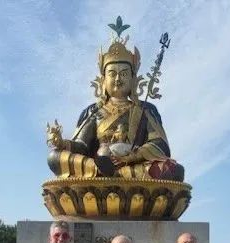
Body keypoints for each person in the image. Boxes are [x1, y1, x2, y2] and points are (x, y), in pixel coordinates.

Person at [45, 22, 184, 181]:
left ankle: (109, 173)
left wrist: (132, 156)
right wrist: (62, 143)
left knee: (174, 169)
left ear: (133, 79)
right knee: (54, 157)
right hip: (99, 162)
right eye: (112, 73)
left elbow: (160, 145)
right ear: (103, 80)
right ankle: (101, 169)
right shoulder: (94, 111)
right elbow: (82, 146)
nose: (118, 79)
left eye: (124, 74)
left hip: (132, 166)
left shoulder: (144, 109)